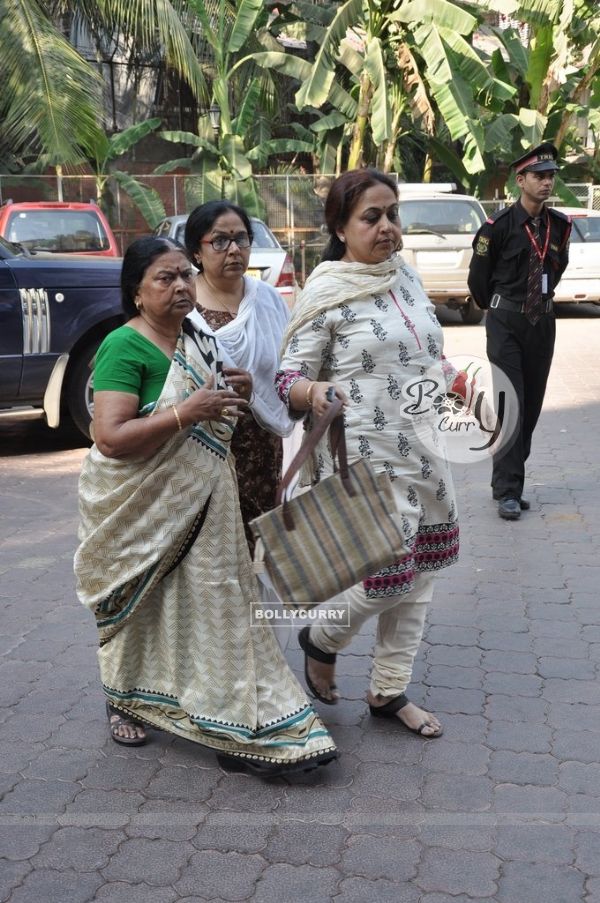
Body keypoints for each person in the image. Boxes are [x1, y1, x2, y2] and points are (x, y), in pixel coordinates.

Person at [73, 236, 337, 777]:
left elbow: (213, 413)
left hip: (205, 506)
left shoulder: (198, 337)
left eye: (184, 276)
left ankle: (233, 717)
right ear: (137, 293)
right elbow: (110, 438)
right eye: (164, 279)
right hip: (138, 506)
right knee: (142, 605)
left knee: (218, 608)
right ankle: (124, 698)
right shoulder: (124, 347)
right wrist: (185, 413)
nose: (179, 287)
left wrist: (230, 390)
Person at [275, 169, 460, 738]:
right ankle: (321, 637)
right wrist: (316, 391)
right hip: (365, 457)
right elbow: (288, 380)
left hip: (425, 448)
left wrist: (459, 382)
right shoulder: (327, 289)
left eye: (392, 214)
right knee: (390, 576)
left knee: (423, 570)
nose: (387, 228)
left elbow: (427, 355)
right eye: (370, 217)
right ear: (339, 226)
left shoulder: (406, 277)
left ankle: (388, 690)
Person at [468, 143, 571, 520]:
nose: (546, 183)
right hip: (505, 323)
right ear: (521, 180)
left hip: (541, 322)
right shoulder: (496, 228)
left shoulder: (560, 226)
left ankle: (507, 481)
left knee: (531, 407)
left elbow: (555, 271)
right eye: (539, 176)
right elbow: (478, 281)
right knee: (511, 403)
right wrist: (499, 310)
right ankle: (509, 491)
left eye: (551, 176)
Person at [184, 201, 294, 553]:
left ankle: (257, 608)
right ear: (196, 253)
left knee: (260, 546)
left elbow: (289, 366)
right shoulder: (183, 307)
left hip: (262, 445)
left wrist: (254, 394)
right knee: (213, 549)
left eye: (242, 239)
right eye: (219, 241)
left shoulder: (267, 300)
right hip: (203, 447)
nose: (233, 249)